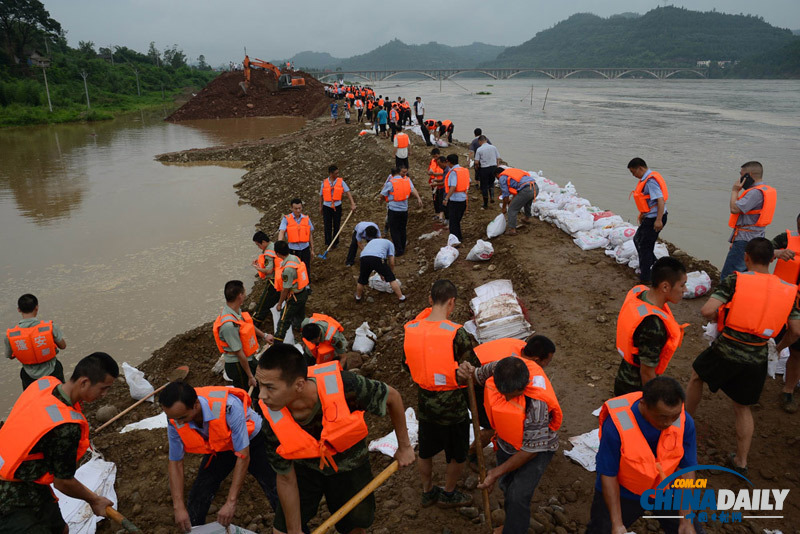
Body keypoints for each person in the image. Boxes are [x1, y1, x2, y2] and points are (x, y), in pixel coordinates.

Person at [254, 343, 415, 534]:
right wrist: (294, 531)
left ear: (298, 385)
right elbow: (286, 478)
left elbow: (393, 397)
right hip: (306, 469)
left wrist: (404, 447)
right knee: (281, 531)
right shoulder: (271, 417)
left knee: (355, 526)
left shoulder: (346, 388)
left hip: (350, 466)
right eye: (260, 385)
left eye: (270, 388)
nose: (262, 396)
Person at [686, 238, 800, 475]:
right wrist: (778, 348)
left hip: (727, 348)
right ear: (772, 259)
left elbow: (707, 309)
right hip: (757, 356)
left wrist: (717, 322)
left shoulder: (736, 280)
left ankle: (682, 426)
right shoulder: (789, 290)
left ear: (746, 257)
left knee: (697, 376)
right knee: (743, 407)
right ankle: (741, 460)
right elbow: (796, 331)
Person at [0, 352, 119, 533]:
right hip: (10, 496)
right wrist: (95, 500)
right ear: (84, 382)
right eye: (103, 388)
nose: (105, 394)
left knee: (61, 529)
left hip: (26, 475)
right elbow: (63, 482)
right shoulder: (66, 427)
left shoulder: (44, 384)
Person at [463, 340, 561, 534]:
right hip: (507, 441)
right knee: (507, 485)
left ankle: (514, 529)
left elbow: (530, 451)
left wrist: (494, 472)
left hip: (536, 449)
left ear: (524, 385)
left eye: (514, 395)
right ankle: (512, 522)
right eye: (504, 394)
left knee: (518, 495)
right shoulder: (500, 367)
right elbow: (474, 375)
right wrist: (465, 371)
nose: (507, 400)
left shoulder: (537, 405)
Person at [586, 377, 700, 534]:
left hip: (667, 490)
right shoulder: (617, 425)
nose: (669, 423)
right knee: (602, 530)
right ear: (643, 405)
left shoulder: (683, 421)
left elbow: (686, 469)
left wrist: (686, 520)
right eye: (662, 417)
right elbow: (608, 474)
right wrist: (617, 523)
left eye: (674, 416)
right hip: (624, 492)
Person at [404, 279, 480, 508]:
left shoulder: (411, 329)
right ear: (452, 302)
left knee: (425, 451)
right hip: (453, 406)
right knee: (457, 453)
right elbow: (471, 368)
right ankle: (448, 492)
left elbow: (407, 365)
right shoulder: (456, 333)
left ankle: (427, 491)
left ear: (430, 299)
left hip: (425, 402)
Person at [160, 381, 278, 530]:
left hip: (252, 441)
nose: (178, 422)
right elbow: (175, 462)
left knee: (274, 488)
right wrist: (178, 506)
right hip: (221, 443)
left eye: (182, 418)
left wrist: (231, 502)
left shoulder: (229, 407)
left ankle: (290, 527)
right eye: (174, 418)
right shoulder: (175, 417)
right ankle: (195, 530)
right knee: (199, 494)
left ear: (195, 404)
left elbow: (243, 456)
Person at [613, 257, 688, 396]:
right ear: (665, 287)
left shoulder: (640, 294)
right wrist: (652, 400)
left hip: (623, 376)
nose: (685, 290)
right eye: (682, 285)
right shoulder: (653, 325)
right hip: (634, 389)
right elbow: (647, 371)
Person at [720, 161, 777, 281]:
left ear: (748, 175)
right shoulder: (766, 190)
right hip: (756, 235)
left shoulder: (755, 193)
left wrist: (735, 191)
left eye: (741, 174)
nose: (739, 178)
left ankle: (726, 298)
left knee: (730, 274)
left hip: (745, 239)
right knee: (747, 273)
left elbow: (734, 209)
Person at [213, 280, 273, 393]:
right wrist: (250, 376)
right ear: (240, 296)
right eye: (244, 292)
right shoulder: (228, 326)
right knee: (248, 394)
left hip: (248, 359)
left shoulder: (234, 311)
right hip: (238, 366)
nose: (245, 294)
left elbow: (247, 325)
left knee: (261, 383)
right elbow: (239, 353)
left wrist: (264, 336)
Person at [5, 293, 67, 390]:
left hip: (28, 375)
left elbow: (9, 355)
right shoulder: (49, 327)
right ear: (37, 307)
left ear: (19, 310)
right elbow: (63, 346)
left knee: (33, 400)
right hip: (53, 370)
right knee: (60, 398)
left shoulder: (11, 334)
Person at [772, 213, 800, 412]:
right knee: (764, 338)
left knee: (798, 350)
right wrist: (776, 253)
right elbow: (759, 252)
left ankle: (788, 390)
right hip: (780, 299)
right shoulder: (786, 239)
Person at [628, 157, 669, 284]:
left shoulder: (650, 181)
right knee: (638, 240)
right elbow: (648, 201)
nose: (633, 175)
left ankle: (646, 278)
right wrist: (643, 214)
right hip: (649, 217)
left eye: (633, 172)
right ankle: (655, 265)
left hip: (655, 219)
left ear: (640, 168)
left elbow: (660, 200)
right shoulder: (646, 179)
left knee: (645, 246)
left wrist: (658, 220)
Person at [273, 240, 311, 344]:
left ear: (277, 253)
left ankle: (277, 343)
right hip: (303, 293)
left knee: (283, 321)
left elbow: (285, 289)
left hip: (295, 297)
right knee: (300, 316)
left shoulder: (288, 269)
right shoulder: (295, 258)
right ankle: (304, 334)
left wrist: (280, 303)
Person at [355, 226, 405, 302]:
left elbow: (375, 263)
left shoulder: (371, 242)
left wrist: (382, 273)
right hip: (377, 258)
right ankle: (401, 297)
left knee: (362, 280)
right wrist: (389, 273)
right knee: (391, 279)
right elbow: (391, 262)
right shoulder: (389, 243)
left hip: (364, 257)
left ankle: (358, 297)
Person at [380, 167, 422, 256]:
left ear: (391, 174)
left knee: (394, 230)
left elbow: (382, 195)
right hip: (404, 210)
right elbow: (412, 189)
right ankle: (403, 247)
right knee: (402, 229)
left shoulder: (390, 183)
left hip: (393, 210)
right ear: (399, 172)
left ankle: (399, 250)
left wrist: (381, 201)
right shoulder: (406, 181)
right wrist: (418, 198)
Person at [319, 165, 356, 250]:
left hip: (337, 206)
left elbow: (348, 192)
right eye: (336, 173)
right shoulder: (324, 182)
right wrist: (320, 206)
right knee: (327, 225)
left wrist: (352, 203)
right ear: (331, 174)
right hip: (327, 206)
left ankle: (335, 242)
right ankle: (328, 243)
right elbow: (321, 196)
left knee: (337, 224)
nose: (338, 175)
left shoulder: (341, 182)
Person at [278, 198, 315, 281]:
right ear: (291, 208)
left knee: (306, 267)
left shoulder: (306, 218)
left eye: (300, 208)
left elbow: (310, 235)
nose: (298, 210)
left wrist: (312, 249)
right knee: (294, 268)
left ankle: (307, 285)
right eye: (296, 208)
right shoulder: (286, 219)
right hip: (293, 249)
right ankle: (296, 285)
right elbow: (282, 231)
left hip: (305, 248)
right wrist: (279, 245)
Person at [495, 167, 538, 236]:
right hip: (535, 187)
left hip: (526, 190)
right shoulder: (511, 173)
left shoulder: (502, 178)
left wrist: (504, 207)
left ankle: (512, 229)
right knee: (527, 203)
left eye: (496, 177)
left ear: (497, 174)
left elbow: (505, 195)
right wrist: (512, 201)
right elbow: (517, 191)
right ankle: (527, 218)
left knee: (512, 209)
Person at [252, 231, 281, 330]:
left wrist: (258, 268)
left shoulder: (268, 253)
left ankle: (256, 322)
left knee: (264, 302)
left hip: (273, 281)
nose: (258, 247)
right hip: (281, 279)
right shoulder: (274, 245)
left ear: (263, 242)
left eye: (258, 245)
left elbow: (269, 270)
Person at [442, 154, 470, 242]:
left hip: (455, 201)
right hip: (463, 199)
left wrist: (446, 198)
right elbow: (468, 181)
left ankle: (455, 241)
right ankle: (459, 238)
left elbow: (453, 187)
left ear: (449, 162)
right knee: (456, 221)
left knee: (453, 222)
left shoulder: (453, 172)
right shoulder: (464, 170)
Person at [474, 135, 500, 209]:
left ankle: (485, 204)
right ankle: (491, 196)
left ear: (480, 141)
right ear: (486, 140)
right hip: (493, 168)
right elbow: (498, 158)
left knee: (484, 186)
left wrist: (477, 167)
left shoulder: (479, 149)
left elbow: (476, 162)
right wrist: (497, 167)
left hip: (484, 169)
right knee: (491, 182)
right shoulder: (493, 147)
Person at [428, 149, 446, 223]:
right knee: (435, 199)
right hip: (434, 183)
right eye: (434, 156)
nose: (435, 158)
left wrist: (436, 175)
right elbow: (429, 170)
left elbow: (445, 173)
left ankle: (441, 215)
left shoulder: (442, 162)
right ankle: (437, 214)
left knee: (441, 199)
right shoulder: (432, 161)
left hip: (441, 183)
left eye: (436, 156)